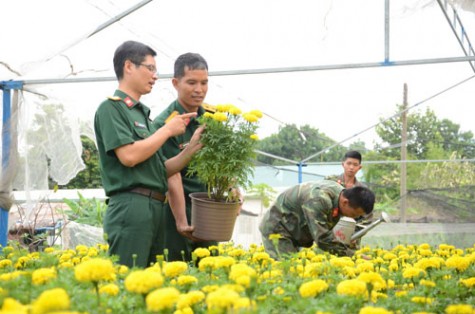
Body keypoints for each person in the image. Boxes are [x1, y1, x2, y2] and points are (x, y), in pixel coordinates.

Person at [94, 41, 203, 268]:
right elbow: (129, 156)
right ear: (129, 66)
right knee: (129, 281)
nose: (154, 76)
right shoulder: (111, 109)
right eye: (150, 68)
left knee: (151, 282)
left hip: (154, 206)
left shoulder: (143, 116)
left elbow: (161, 170)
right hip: (131, 205)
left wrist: (192, 148)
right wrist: (166, 130)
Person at [152, 52, 217, 261]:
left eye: (204, 83)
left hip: (209, 208)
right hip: (177, 211)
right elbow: (172, 173)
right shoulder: (165, 124)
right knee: (178, 269)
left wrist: (233, 190)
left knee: (213, 273)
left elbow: (222, 163)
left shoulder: (212, 118)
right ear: (175, 83)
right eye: (191, 83)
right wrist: (181, 220)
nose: (199, 90)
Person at [259, 180, 375, 259]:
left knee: (293, 269)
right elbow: (323, 239)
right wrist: (353, 256)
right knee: (285, 271)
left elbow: (327, 224)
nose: (354, 218)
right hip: (278, 229)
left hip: (294, 229)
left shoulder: (340, 195)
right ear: (345, 202)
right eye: (355, 214)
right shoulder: (319, 199)